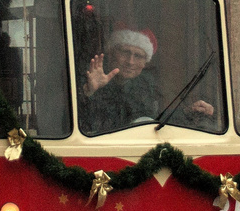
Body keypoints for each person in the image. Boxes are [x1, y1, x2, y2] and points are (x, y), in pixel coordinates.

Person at [79, 29, 214, 133]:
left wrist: (189, 112)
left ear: (145, 63)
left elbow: (156, 121)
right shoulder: (89, 78)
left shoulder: (149, 86)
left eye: (138, 56)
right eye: (125, 52)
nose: (130, 61)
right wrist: (89, 92)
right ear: (112, 54)